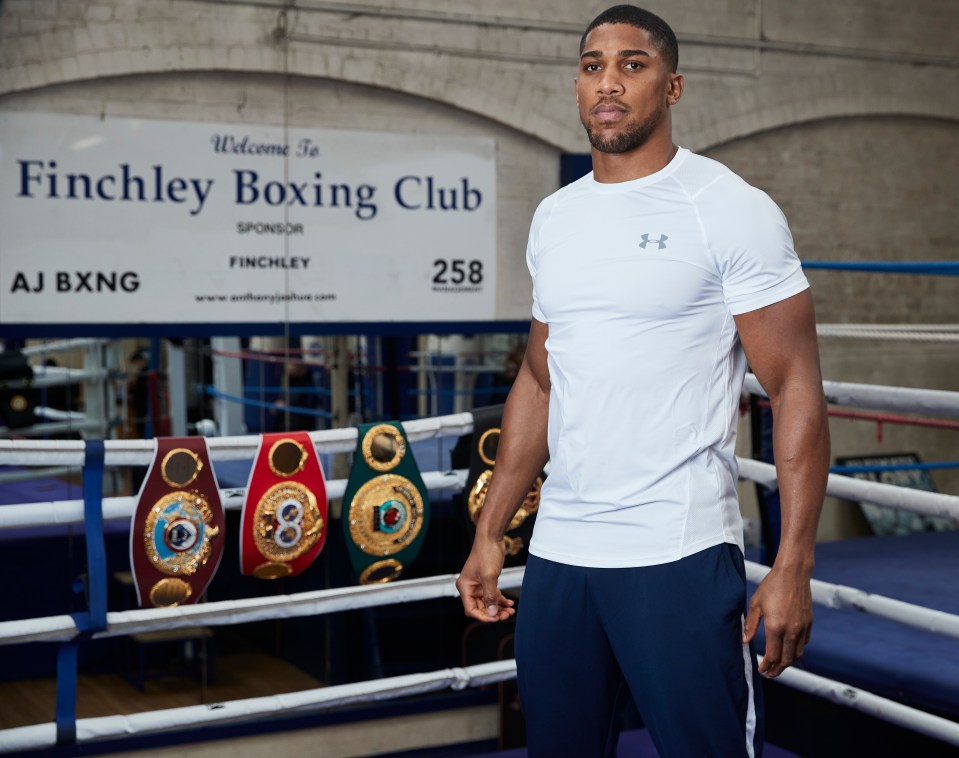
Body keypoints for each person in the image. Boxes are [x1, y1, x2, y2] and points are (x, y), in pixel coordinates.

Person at [455, 5, 830, 757]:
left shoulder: (728, 209)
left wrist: (793, 564)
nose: (609, 83)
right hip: (562, 553)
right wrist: (490, 532)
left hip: (677, 551)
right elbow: (538, 379)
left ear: (672, 86)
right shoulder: (555, 219)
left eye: (633, 65)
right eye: (594, 65)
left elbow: (794, 388)